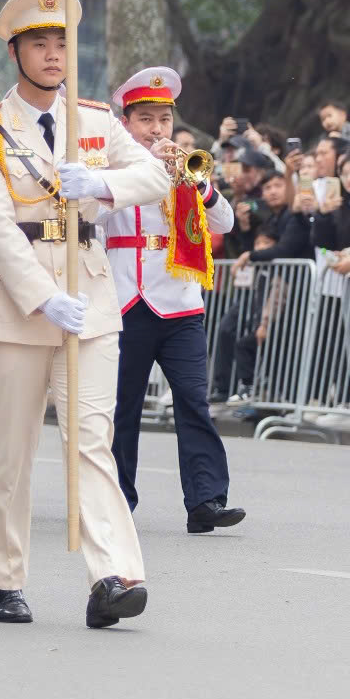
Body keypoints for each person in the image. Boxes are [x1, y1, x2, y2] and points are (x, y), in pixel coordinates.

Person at [0, 0, 170, 627]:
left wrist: (101, 181)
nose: (53, 55)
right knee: (12, 449)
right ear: (16, 52)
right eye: (40, 44)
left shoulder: (97, 121)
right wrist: (42, 297)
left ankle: (114, 574)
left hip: (92, 294)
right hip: (20, 304)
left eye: (62, 44)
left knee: (90, 439)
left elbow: (157, 174)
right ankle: (6, 576)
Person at [104, 66, 244, 529]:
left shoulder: (187, 169)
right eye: (146, 119)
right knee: (122, 407)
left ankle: (206, 501)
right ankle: (117, 500)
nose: (157, 129)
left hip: (180, 302)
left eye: (163, 119)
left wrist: (196, 183)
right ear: (126, 123)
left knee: (192, 401)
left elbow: (223, 224)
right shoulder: (112, 169)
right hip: (126, 300)